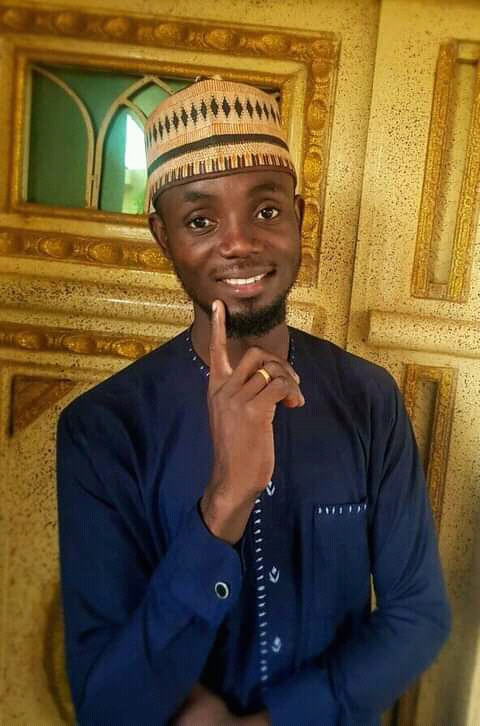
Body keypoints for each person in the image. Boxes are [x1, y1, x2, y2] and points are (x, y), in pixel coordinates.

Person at [56, 78, 451, 726]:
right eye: (201, 220)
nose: (238, 242)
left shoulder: (368, 399)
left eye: (266, 211)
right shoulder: (103, 429)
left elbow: (418, 616)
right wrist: (224, 504)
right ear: (162, 235)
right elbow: (110, 706)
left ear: (300, 216)